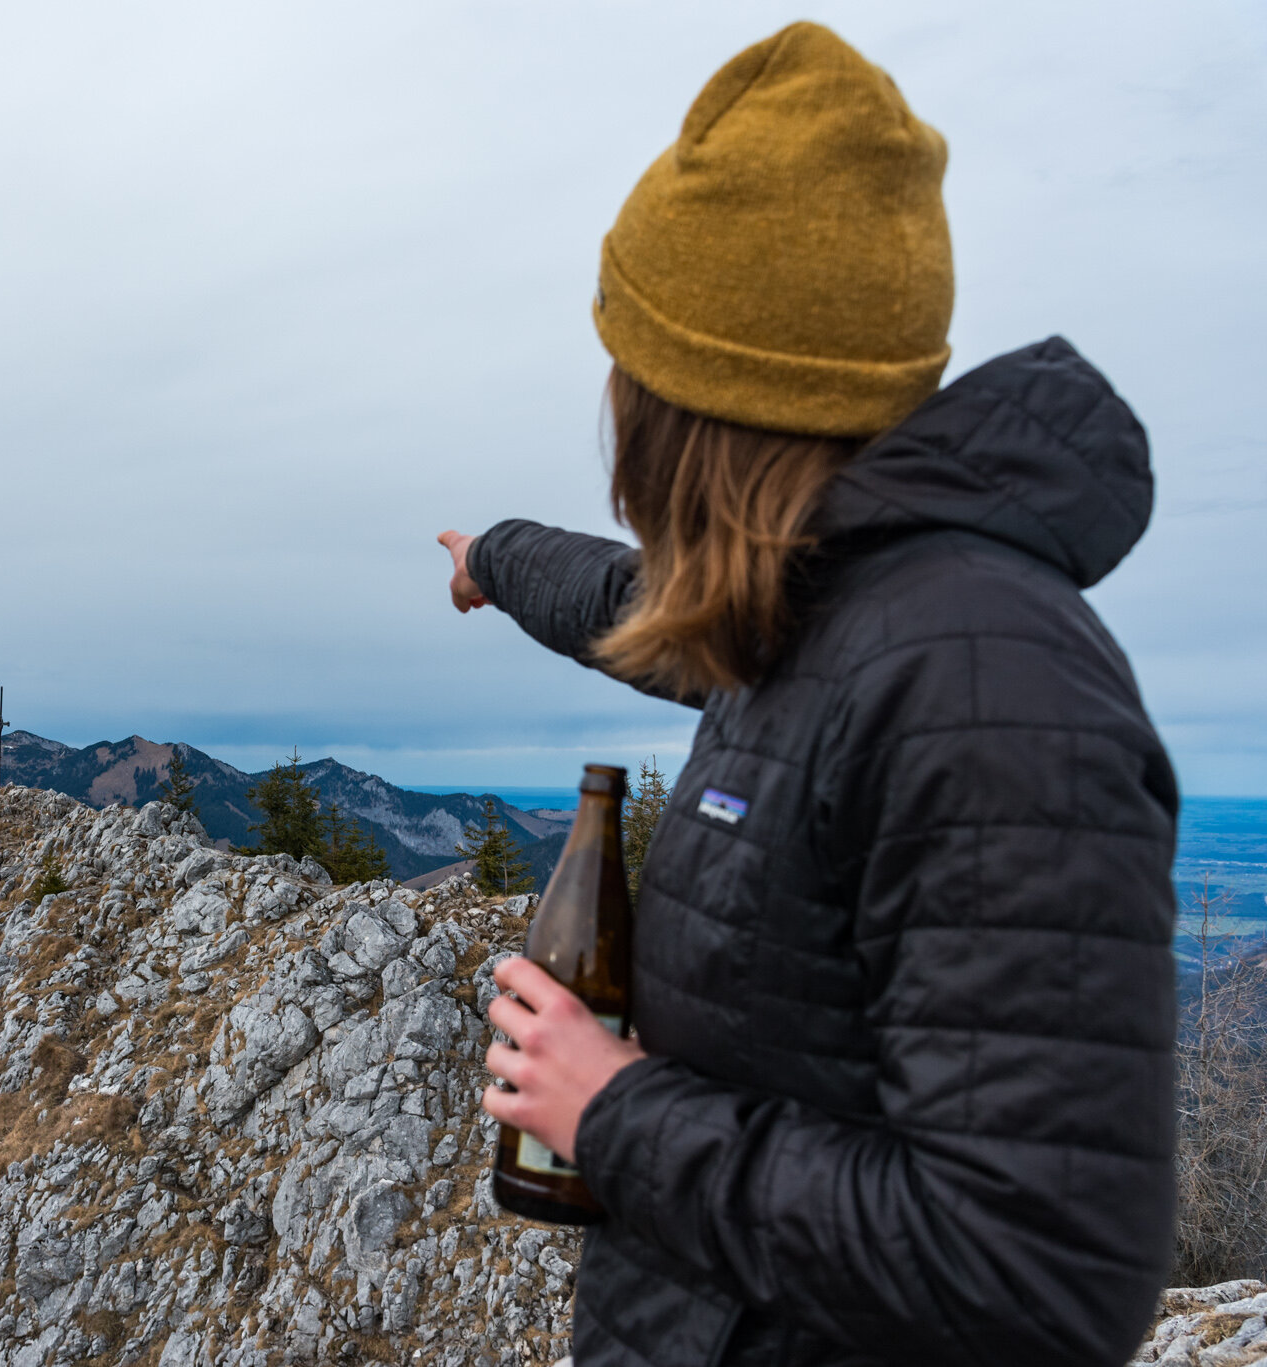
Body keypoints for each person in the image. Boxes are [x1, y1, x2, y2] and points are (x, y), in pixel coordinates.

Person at [442, 22, 1176, 1367]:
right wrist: (495, 560)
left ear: (696, 398)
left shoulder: (982, 678)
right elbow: (640, 608)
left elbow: (1041, 1273)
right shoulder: (835, 611)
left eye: (632, 365)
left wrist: (617, 1112)